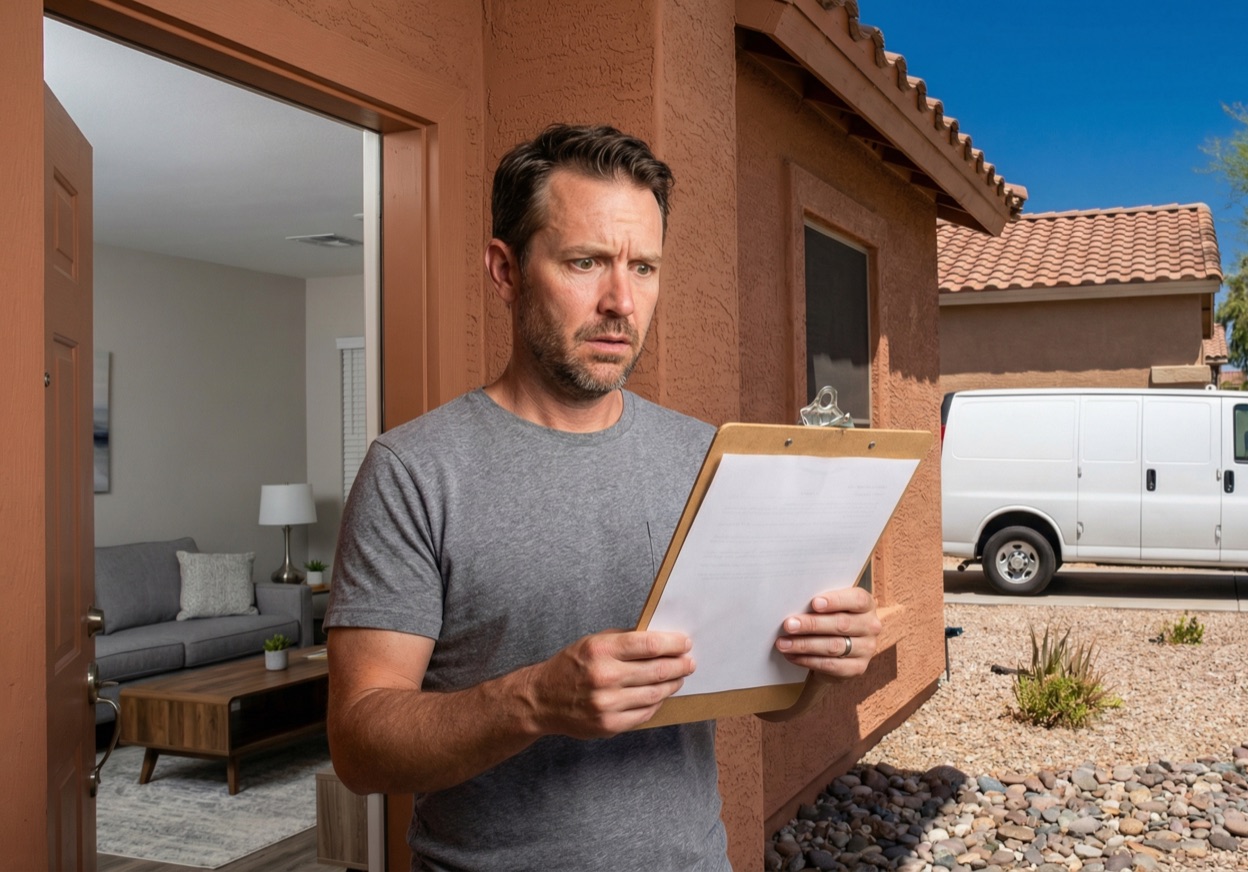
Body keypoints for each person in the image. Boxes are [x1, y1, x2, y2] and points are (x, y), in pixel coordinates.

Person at [324, 123, 884, 871]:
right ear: (505, 270)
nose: (622, 301)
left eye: (644, 267)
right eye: (585, 262)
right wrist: (533, 701)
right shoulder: (414, 471)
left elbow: (770, 695)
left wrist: (817, 656)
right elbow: (360, 744)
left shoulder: (703, 457)